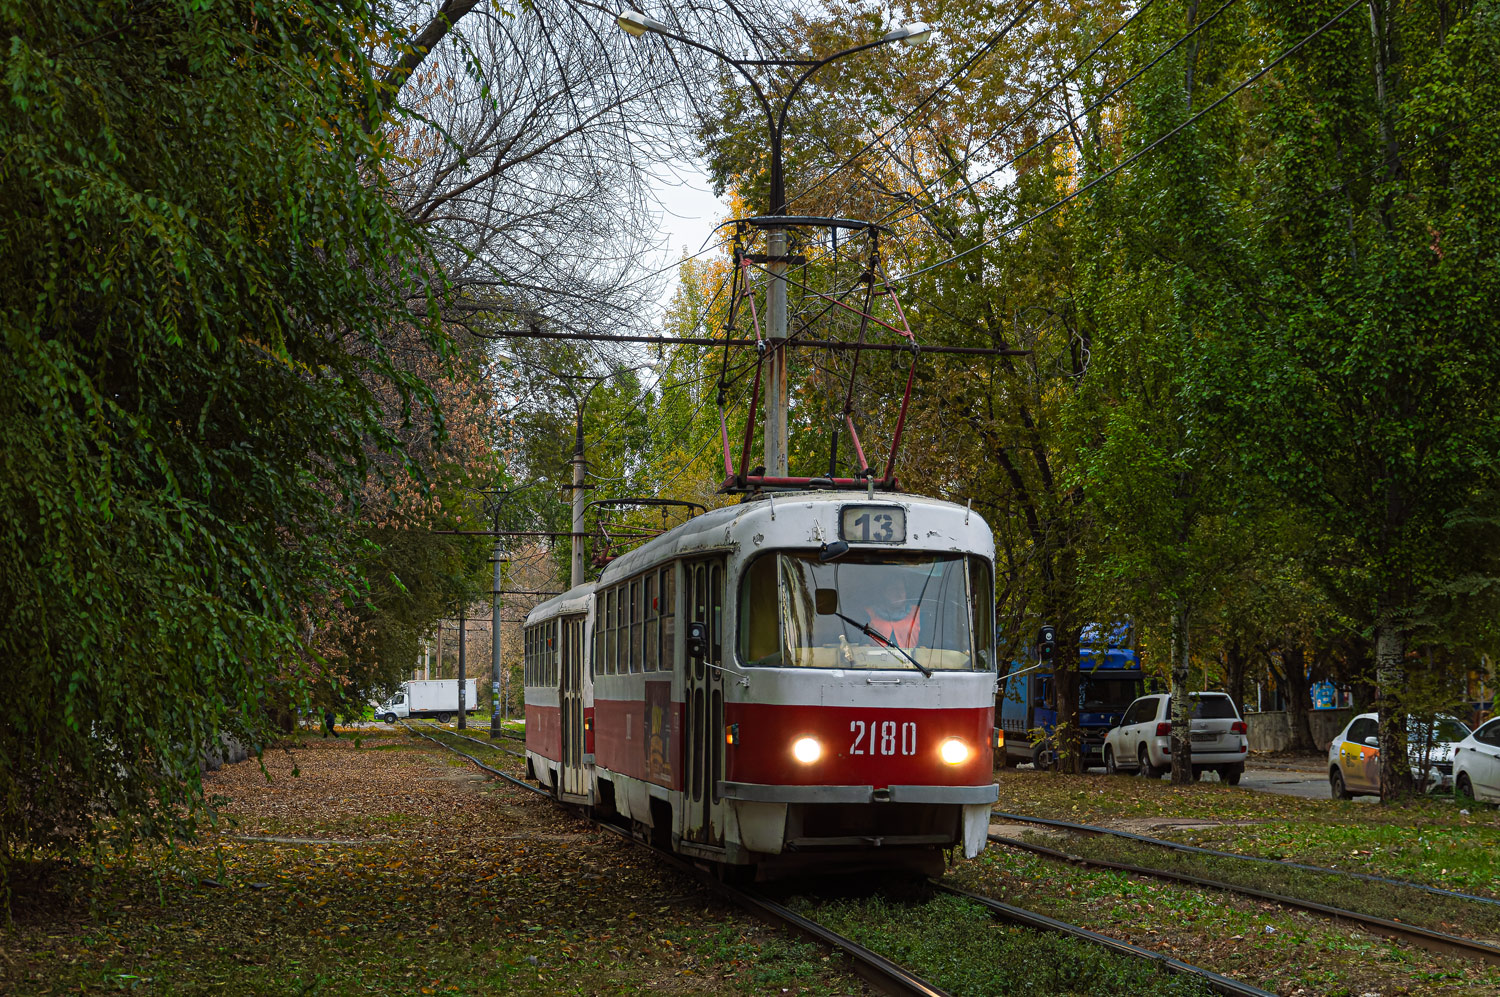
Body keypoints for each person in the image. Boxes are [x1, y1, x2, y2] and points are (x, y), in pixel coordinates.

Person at [863, 574, 921, 649]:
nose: (898, 593)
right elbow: (862, 643)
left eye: (902, 589)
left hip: (910, 659)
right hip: (875, 660)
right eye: (894, 589)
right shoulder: (868, 613)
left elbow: (927, 646)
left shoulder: (917, 613)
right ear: (884, 592)